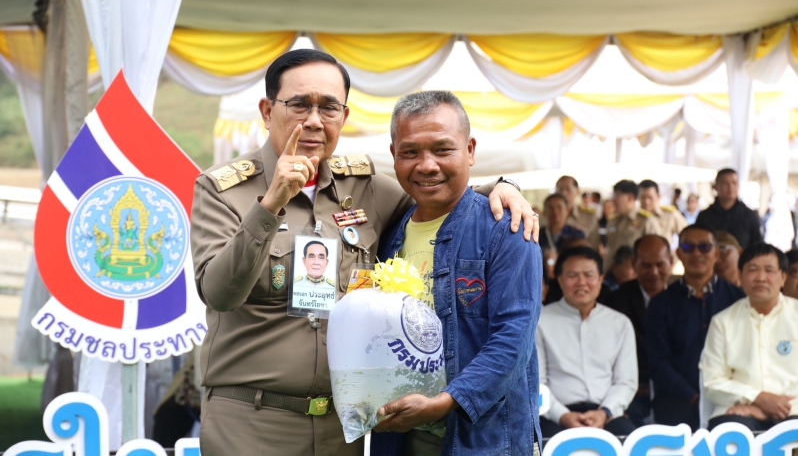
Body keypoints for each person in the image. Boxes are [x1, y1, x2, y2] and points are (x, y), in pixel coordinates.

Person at [190, 50, 538, 456]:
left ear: (344, 116)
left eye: (328, 107)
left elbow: (435, 190)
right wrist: (269, 205)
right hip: (253, 421)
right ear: (268, 111)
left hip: (343, 427)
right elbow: (219, 294)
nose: (314, 120)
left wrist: (501, 188)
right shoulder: (223, 190)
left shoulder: (364, 186)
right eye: (299, 104)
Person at [371, 91, 541, 456]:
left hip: (483, 442)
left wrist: (445, 402)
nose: (426, 165)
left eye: (442, 149)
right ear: (394, 155)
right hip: (399, 437)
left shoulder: (506, 229)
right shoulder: (386, 234)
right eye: (410, 152)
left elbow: (513, 339)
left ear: (470, 150)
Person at [645, 225, 745, 430]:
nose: (696, 253)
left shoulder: (738, 299)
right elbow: (658, 362)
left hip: (730, 396)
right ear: (678, 254)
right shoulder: (660, 304)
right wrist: (692, 396)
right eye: (688, 247)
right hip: (677, 398)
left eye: (705, 247)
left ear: (716, 254)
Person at [537, 246, 637, 439]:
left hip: (606, 414)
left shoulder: (620, 323)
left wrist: (604, 413)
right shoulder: (540, 322)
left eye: (589, 275)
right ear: (559, 279)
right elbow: (536, 384)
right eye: (572, 275)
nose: (581, 282)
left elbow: (626, 382)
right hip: (554, 416)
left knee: (629, 441)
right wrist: (563, 416)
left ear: (600, 279)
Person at [700, 243, 798, 431]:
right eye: (752, 270)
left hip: (795, 411)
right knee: (731, 432)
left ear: (783, 277)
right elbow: (711, 382)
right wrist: (757, 399)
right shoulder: (722, 322)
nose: (761, 278)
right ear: (740, 276)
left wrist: (773, 407)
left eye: (769, 270)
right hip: (738, 411)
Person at [602, 235, 672, 427]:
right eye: (646, 265)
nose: (654, 272)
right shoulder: (615, 301)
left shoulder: (682, 299)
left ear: (671, 262)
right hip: (632, 392)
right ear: (634, 264)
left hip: (673, 391)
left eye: (660, 264)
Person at [590, 180, 661, 272]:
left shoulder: (646, 221)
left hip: (634, 274)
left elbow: (655, 251)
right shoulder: (613, 221)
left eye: (617, 195)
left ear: (630, 198)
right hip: (610, 272)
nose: (613, 199)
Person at [695, 168, 762, 249]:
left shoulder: (750, 215)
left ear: (738, 186)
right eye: (725, 183)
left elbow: (758, 247)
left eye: (734, 183)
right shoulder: (704, 216)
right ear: (715, 187)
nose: (730, 187)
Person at [638, 180, 687, 247]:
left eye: (650, 197)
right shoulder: (633, 217)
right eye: (643, 197)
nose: (646, 201)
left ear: (658, 196)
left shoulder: (670, 214)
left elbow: (687, 235)